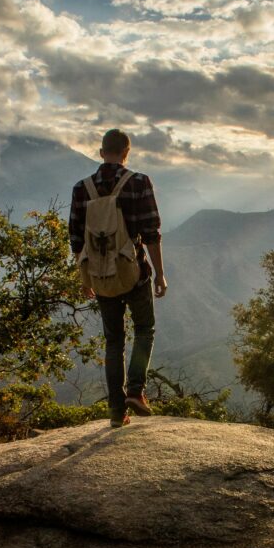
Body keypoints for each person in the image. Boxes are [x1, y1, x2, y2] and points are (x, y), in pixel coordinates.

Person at [69, 128, 167, 428]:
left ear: (101, 152)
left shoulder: (81, 188)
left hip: (101, 273)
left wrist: (85, 278)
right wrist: (160, 274)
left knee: (113, 341)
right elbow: (151, 232)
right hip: (134, 271)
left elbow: (76, 239)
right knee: (145, 329)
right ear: (127, 152)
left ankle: (116, 412)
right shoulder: (139, 182)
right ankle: (136, 392)